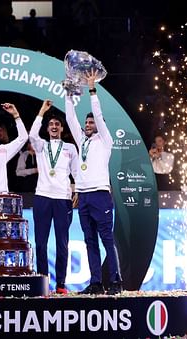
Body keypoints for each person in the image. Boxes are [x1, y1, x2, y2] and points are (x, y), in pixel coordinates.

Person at [65, 69, 122, 295]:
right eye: (86, 122)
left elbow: (98, 115)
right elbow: (70, 118)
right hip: (84, 195)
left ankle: (116, 282)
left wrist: (92, 90)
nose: (88, 124)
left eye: (91, 122)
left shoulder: (105, 140)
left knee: (107, 238)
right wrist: (68, 94)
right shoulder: (83, 140)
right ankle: (96, 283)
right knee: (90, 241)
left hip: (100, 194)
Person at [29, 99, 78, 294]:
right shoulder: (41, 146)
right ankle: (43, 282)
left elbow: (76, 172)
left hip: (63, 199)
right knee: (40, 243)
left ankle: (60, 284)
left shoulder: (70, 148)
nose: (54, 127)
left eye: (57, 124)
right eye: (51, 125)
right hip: (42, 196)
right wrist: (41, 111)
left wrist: (77, 191)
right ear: (47, 129)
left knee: (62, 244)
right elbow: (32, 134)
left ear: (62, 128)